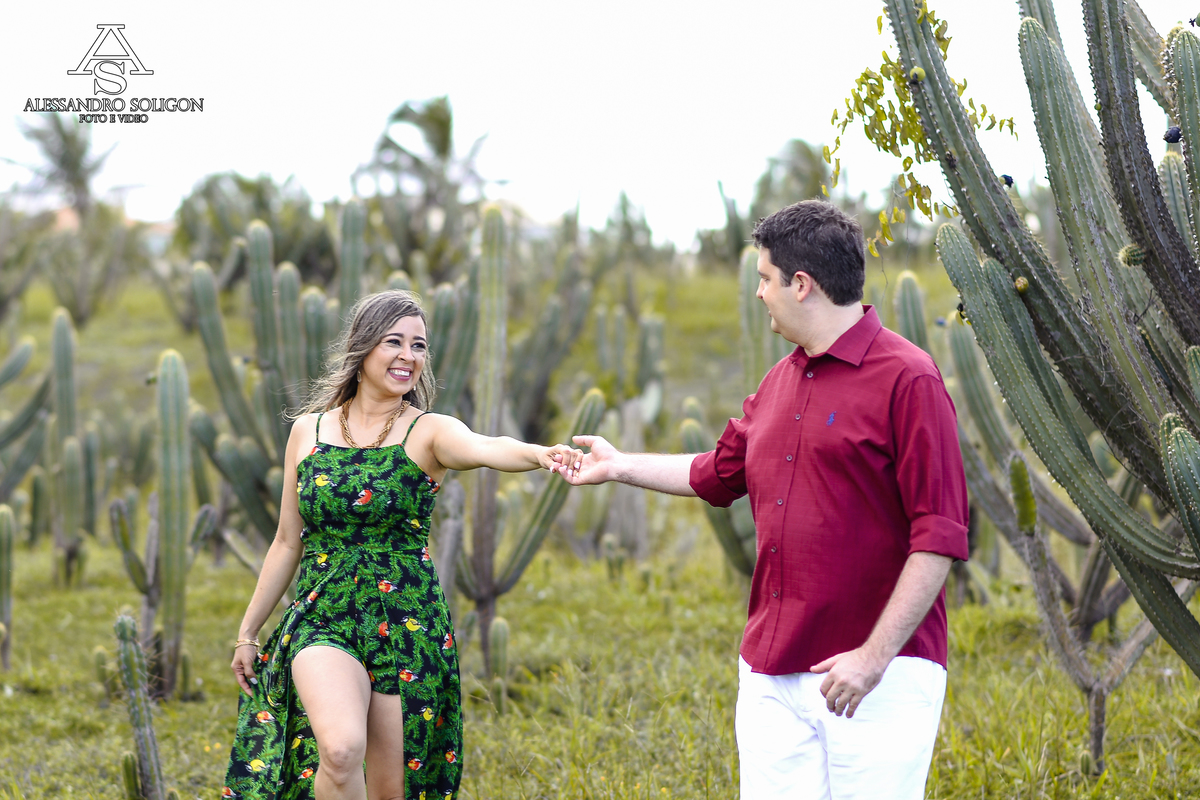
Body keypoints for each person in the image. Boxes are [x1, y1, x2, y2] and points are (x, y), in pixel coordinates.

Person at [559, 200, 969, 799]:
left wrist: (872, 658)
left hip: (879, 678)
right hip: (771, 674)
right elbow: (715, 472)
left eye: (764, 278)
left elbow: (938, 536)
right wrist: (619, 466)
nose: (759, 294)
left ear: (800, 284)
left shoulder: (909, 379)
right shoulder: (780, 382)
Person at [223, 290, 580, 800]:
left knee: (393, 790)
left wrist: (539, 454)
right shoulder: (309, 430)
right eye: (394, 342)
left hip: (406, 622)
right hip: (325, 613)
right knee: (341, 751)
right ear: (363, 347)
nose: (408, 356)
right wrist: (247, 632)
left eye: (419, 345)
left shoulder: (428, 431)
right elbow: (286, 540)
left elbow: (486, 447)